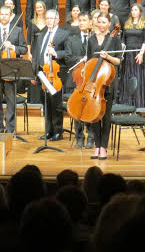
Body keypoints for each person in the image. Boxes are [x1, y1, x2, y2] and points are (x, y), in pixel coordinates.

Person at [0, 6, 28, 136]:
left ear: (10, 16)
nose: (4, 16)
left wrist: (13, 46)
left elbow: (24, 49)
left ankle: (10, 129)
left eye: (6, 14)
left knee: (11, 102)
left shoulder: (18, 30)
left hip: (11, 71)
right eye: (2, 14)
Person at [85, 12, 122, 159]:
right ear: (95, 23)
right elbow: (89, 60)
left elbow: (119, 61)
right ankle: (97, 146)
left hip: (108, 82)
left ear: (109, 24)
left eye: (104, 22)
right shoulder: (91, 40)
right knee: (94, 116)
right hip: (94, 82)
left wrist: (108, 57)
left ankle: (104, 147)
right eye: (99, 22)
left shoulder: (114, 38)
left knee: (105, 116)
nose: (101, 25)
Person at [32, 9, 69, 141]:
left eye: (52, 18)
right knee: (46, 104)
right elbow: (37, 54)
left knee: (56, 104)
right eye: (47, 18)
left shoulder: (64, 34)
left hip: (55, 75)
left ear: (58, 20)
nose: (49, 21)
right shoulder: (41, 34)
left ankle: (58, 131)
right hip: (42, 73)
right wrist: (34, 73)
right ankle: (48, 131)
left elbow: (68, 53)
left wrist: (57, 53)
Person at [65, 12, 93, 148]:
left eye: (84, 20)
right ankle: (79, 137)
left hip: (91, 79)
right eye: (80, 20)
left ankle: (91, 137)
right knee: (77, 108)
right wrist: (81, 59)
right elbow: (68, 57)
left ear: (90, 22)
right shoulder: (71, 39)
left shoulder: (94, 39)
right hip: (76, 78)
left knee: (91, 107)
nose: (81, 22)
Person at [117, 3, 145, 108]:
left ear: (140, 11)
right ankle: (126, 102)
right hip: (128, 53)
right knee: (127, 75)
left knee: (137, 76)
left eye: (135, 10)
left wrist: (141, 53)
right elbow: (123, 39)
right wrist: (122, 49)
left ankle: (138, 103)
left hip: (138, 53)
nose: (133, 12)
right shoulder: (127, 23)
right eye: (132, 10)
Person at [26, 0, 48, 104]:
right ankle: (34, 100)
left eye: (41, 7)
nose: (39, 9)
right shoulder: (31, 22)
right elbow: (29, 38)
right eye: (37, 7)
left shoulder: (48, 22)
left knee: (43, 72)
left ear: (44, 8)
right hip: (34, 50)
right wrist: (29, 53)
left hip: (44, 50)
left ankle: (44, 100)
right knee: (34, 73)